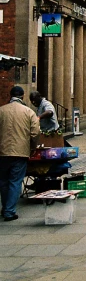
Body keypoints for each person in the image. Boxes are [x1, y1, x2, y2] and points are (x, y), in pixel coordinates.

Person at [0, 86, 40, 221]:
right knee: (15, 181)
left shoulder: (1, 111)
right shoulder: (29, 112)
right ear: (23, 96)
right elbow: (35, 133)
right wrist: (33, 147)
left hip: (2, 152)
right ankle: (9, 211)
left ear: (10, 96)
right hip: (20, 151)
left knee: (3, 181)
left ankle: (5, 207)